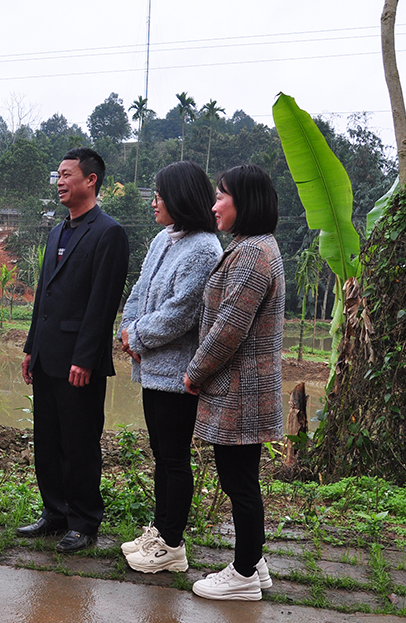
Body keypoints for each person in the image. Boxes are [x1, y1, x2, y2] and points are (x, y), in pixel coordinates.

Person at [20, 148, 129, 553]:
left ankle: (83, 520)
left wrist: (85, 357)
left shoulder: (108, 232)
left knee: (80, 442)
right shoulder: (57, 231)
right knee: (47, 438)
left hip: (79, 360)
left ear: (91, 180)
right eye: (58, 175)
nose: (60, 182)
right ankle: (54, 513)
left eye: (67, 174)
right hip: (47, 355)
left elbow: (103, 304)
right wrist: (31, 347)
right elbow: (43, 299)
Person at [184, 164, 284, 601]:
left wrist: (194, 372)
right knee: (242, 478)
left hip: (240, 390)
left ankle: (243, 573)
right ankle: (254, 561)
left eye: (221, 196)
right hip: (247, 389)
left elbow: (229, 327)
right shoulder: (256, 248)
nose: (214, 205)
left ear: (244, 202)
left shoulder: (251, 255)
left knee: (238, 480)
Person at [117, 161, 221, 574]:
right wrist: (127, 329)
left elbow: (182, 313)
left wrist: (136, 336)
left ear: (180, 197)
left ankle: (172, 546)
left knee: (174, 458)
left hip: (177, 374)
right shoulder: (164, 238)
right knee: (161, 454)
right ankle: (160, 532)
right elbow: (140, 290)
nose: (154, 201)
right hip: (151, 367)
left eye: (159, 194)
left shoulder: (205, 249)